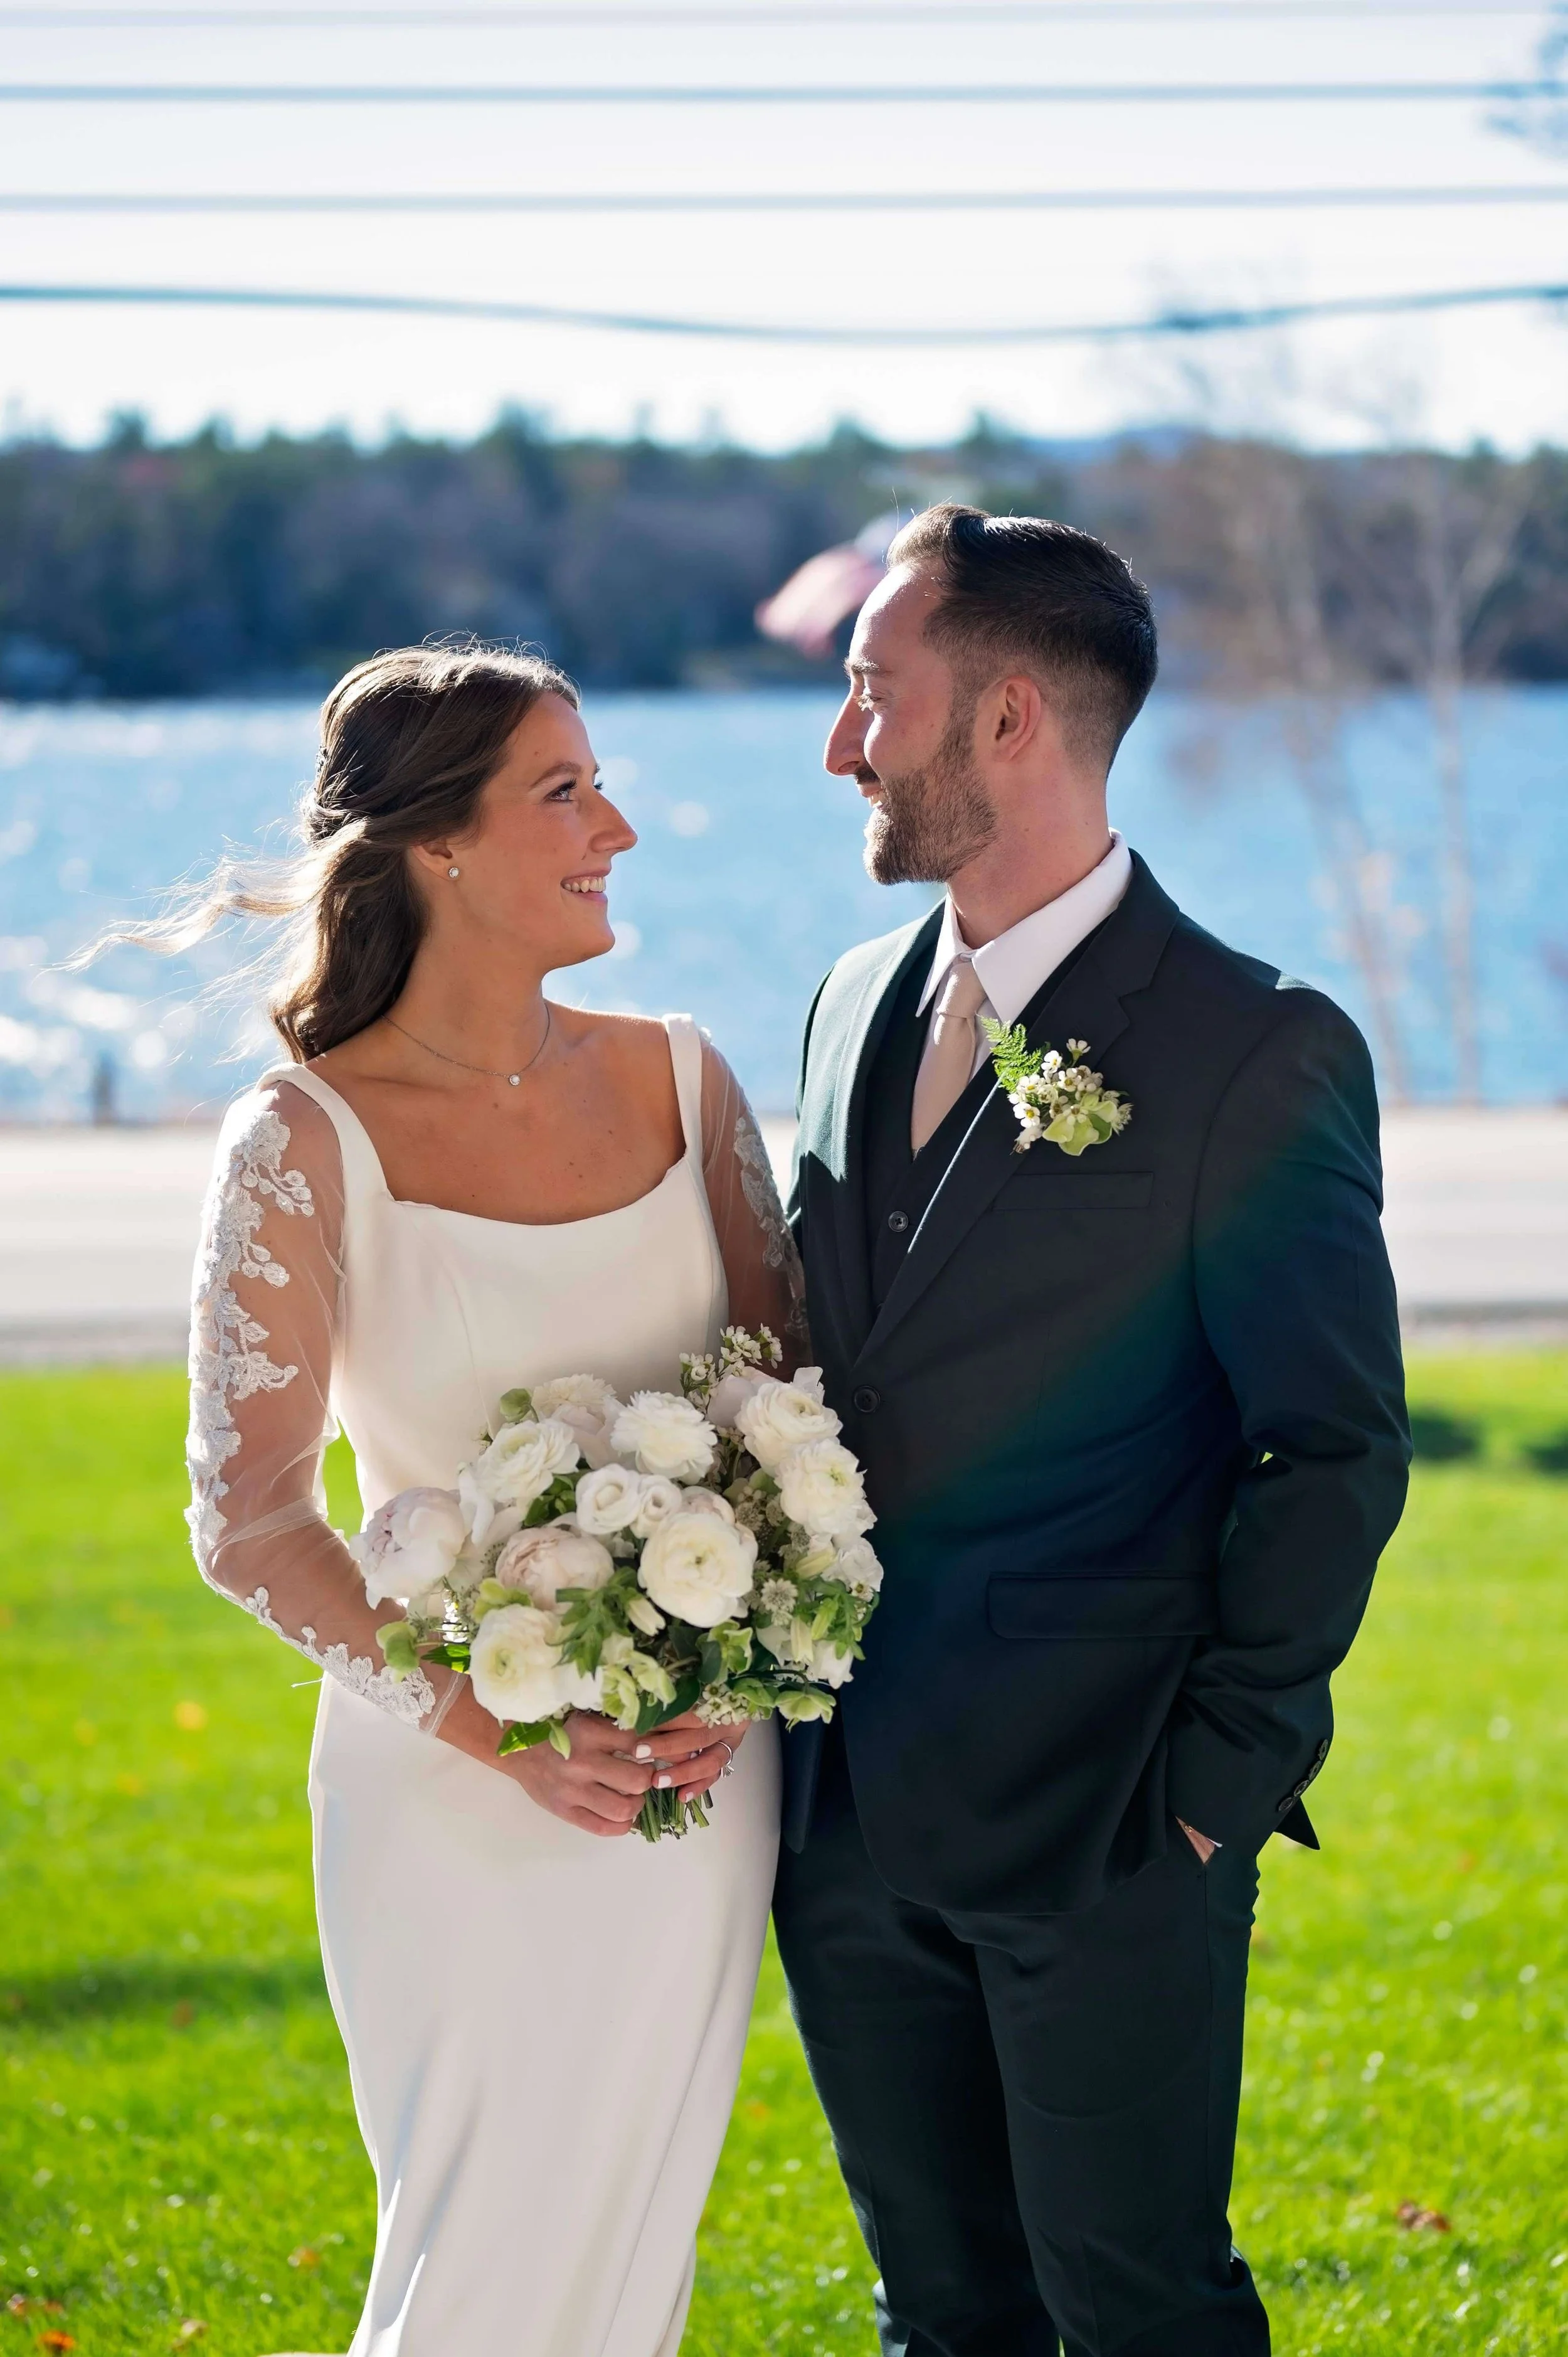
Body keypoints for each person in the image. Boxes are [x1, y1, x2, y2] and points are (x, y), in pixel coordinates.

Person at [775, 505, 1411, 2357]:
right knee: (940, 2313)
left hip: (1111, 1824)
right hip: (845, 1828)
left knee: (1135, 2304)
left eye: (869, 692)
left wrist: (1210, 1796)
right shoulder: (840, 1008)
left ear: (1006, 725)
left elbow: (1331, 1446)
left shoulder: (1251, 1048)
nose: (841, 745)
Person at [177, 644, 799, 2356]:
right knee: (485, 2259)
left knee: (628, 2249)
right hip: (456, 1791)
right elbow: (251, 1519)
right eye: (564, 790)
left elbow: (791, 1407)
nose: (618, 825)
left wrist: (733, 1681)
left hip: (686, 1781)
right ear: (440, 843)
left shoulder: (683, 1075)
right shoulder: (304, 1136)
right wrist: (487, 1722)